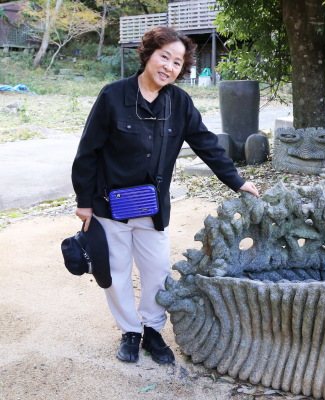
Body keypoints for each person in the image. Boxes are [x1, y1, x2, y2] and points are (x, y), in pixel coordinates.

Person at [71, 26, 259, 365]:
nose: (169, 67)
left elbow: (206, 143)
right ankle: (130, 331)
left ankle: (152, 330)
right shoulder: (112, 96)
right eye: (164, 57)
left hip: (152, 207)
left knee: (157, 272)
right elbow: (88, 152)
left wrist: (236, 181)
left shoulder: (180, 102)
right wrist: (84, 202)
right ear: (148, 55)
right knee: (114, 272)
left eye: (177, 62)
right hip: (109, 205)